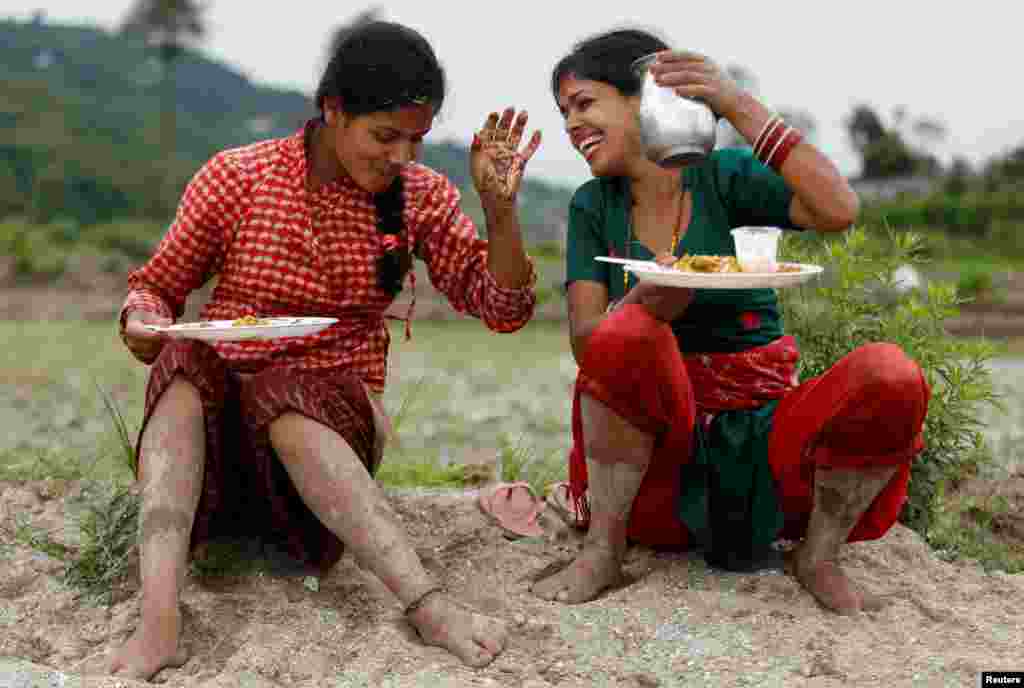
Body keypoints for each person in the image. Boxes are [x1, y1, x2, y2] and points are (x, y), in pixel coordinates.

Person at [110, 21, 541, 679]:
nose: (402, 156)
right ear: (333, 111)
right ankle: (160, 620)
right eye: (384, 136)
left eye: (415, 140)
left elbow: (504, 308)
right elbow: (155, 290)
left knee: (287, 391)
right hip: (217, 476)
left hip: (324, 467)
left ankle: (427, 605)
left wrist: (500, 212)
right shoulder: (239, 177)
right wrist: (143, 322)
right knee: (184, 364)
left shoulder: (421, 197)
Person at [532, 29, 930, 614]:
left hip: (768, 459)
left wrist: (734, 103)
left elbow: (838, 209)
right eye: (564, 111)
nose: (571, 124)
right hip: (655, 477)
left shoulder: (727, 177)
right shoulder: (593, 206)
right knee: (627, 332)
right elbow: (590, 345)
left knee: (890, 375)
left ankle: (817, 555)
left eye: (585, 103)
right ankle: (605, 548)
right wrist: (655, 296)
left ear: (645, 96)